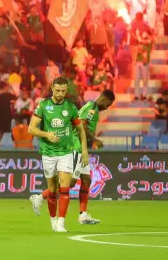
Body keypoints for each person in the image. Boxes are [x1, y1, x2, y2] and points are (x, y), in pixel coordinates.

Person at [30, 90, 115, 225]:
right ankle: (39, 197)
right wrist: (95, 139)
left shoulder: (91, 108)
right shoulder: (92, 109)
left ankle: (83, 215)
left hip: (81, 147)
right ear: (103, 99)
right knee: (69, 183)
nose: (107, 108)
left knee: (86, 180)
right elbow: (83, 126)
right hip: (77, 147)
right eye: (108, 104)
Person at [26, 76, 89, 233]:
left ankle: (61, 223)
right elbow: (31, 129)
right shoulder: (43, 106)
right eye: (58, 90)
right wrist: (47, 134)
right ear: (52, 89)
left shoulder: (71, 108)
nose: (60, 94)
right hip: (48, 153)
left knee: (65, 186)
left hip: (65, 152)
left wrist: (84, 151)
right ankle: (53, 220)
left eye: (63, 91)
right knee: (53, 189)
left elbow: (81, 130)